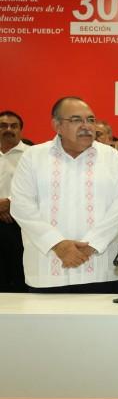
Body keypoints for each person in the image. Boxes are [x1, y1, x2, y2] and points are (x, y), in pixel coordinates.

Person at [10, 97, 118, 292]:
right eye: (76, 120)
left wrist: (92, 245)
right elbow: (21, 206)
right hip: (47, 272)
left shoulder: (114, 159)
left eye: (90, 120)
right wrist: (58, 245)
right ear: (57, 125)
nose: (86, 126)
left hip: (101, 271)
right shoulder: (33, 157)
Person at [0, 110, 30, 292]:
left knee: (20, 275)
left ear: (21, 130)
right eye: (3, 126)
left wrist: (10, 202)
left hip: (21, 225)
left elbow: (37, 187)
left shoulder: (31, 155)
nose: (8, 129)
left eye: (14, 126)